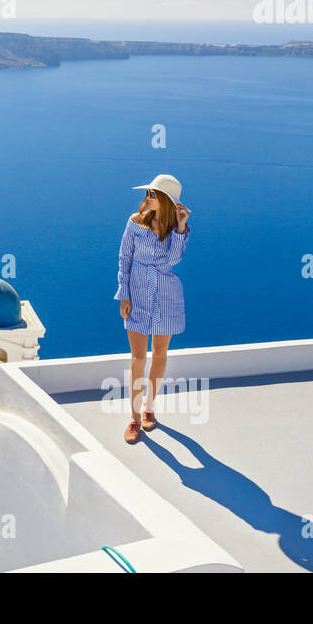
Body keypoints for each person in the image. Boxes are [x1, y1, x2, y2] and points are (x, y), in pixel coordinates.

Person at [113, 174, 191, 444]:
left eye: (154, 194)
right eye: (148, 192)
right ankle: (134, 419)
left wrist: (180, 227)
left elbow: (173, 260)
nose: (148, 196)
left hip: (167, 295)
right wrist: (124, 294)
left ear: (166, 200)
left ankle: (149, 408)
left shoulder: (175, 229)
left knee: (160, 352)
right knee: (137, 358)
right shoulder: (134, 223)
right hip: (137, 294)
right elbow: (125, 258)